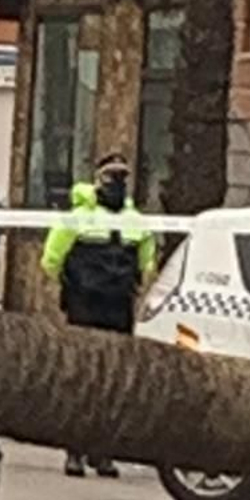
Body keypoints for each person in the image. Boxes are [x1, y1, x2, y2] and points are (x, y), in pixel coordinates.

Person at [41, 152, 156, 478]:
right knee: (81, 379)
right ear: (97, 180)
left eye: (121, 178)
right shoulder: (77, 217)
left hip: (117, 309)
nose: (116, 184)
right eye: (110, 177)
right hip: (85, 307)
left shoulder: (137, 221)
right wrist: (74, 288)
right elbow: (51, 260)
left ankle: (102, 453)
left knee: (113, 383)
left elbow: (147, 265)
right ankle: (75, 452)